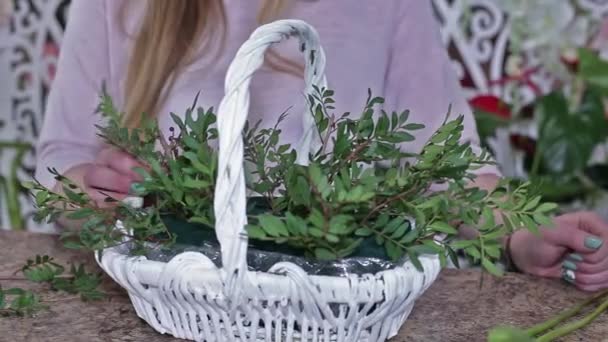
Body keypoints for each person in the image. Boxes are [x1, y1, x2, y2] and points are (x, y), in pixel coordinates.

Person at [36, 0, 608, 291]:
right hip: (170, 298)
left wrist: (521, 235)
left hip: (340, 306)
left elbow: (449, 168)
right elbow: (60, 158)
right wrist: (88, 190)